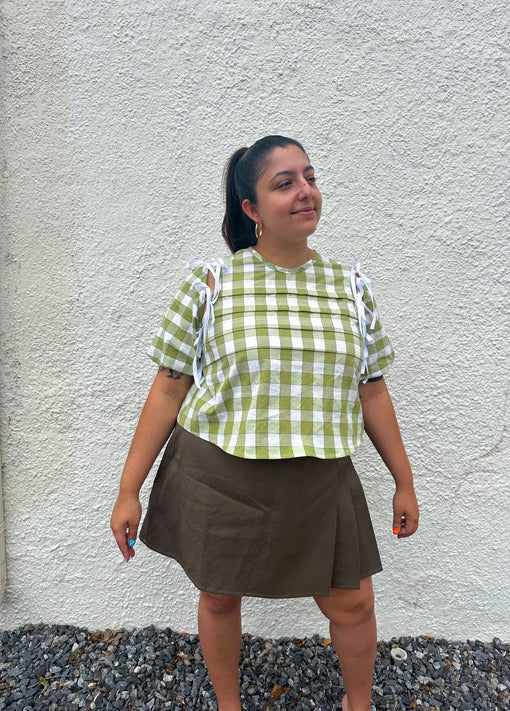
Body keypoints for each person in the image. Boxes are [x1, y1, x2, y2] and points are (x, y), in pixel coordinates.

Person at [110, 135, 419, 711]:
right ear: (251, 208)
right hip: (219, 477)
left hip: (320, 480)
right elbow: (168, 389)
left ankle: (359, 704)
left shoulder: (350, 288)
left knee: (354, 605)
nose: (306, 191)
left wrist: (404, 480)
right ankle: (229, 705)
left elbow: (372, 390)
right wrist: (129, 490)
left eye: (310, 177)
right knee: (220, 598)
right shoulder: (211, 284)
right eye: (285, 183)